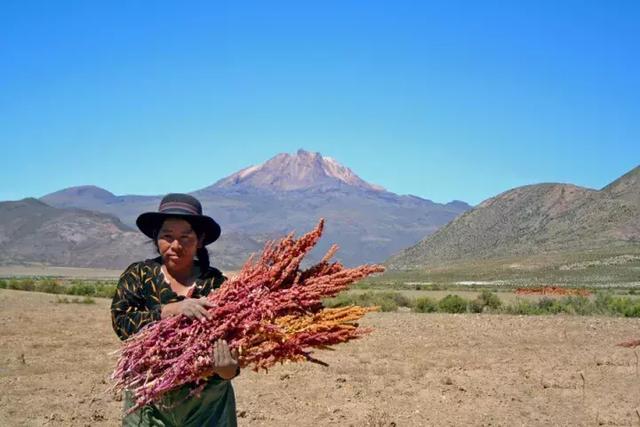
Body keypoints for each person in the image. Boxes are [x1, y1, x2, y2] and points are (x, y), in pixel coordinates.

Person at [111, 193, 239, 426]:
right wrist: (172, 309)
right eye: (167, 236)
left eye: (185, 237)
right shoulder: (139, 275)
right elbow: (122, 323)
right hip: (147, 398)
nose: (175, 246)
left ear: (200, 240)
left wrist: (228, 369)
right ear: (156, 238)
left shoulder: (218, 285)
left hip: (207, 405)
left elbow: (237, 343)